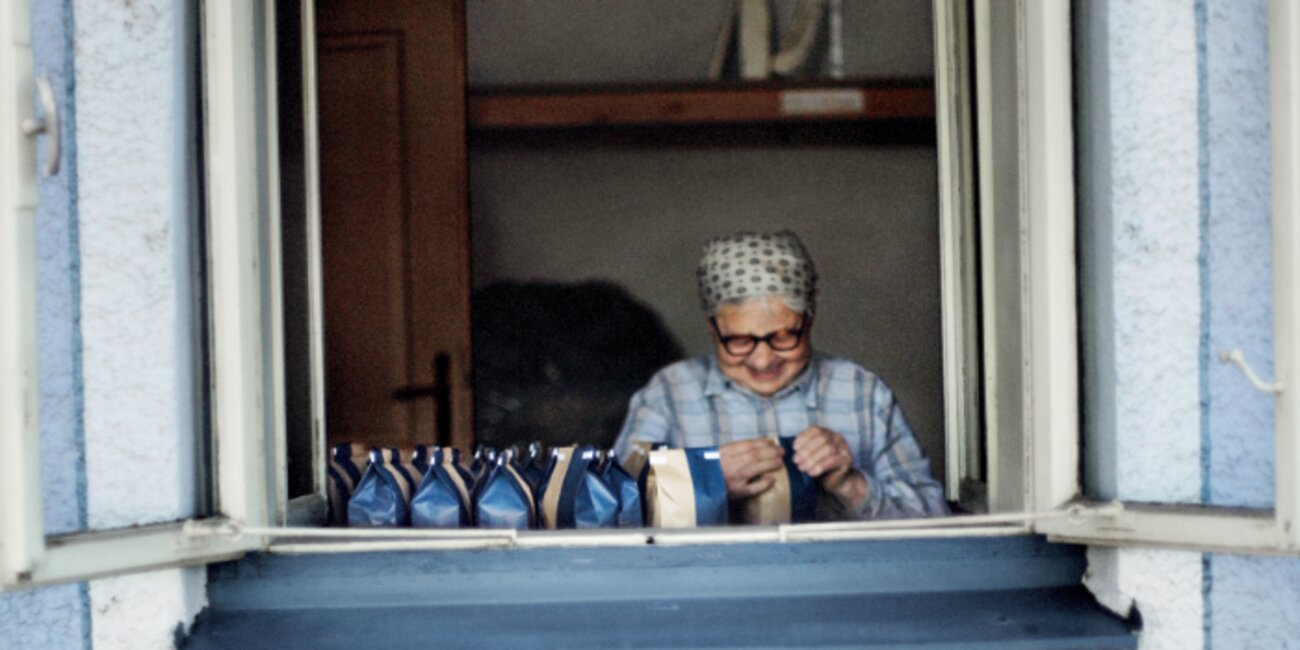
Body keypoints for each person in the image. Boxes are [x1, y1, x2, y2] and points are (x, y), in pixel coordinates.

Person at [613, 230, 948, 520]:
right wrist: (704, 482)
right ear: (712, 328)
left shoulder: (862, 393)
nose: (762, 360)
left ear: (810, 320)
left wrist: (851, 485)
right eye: (739, 340)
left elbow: (935, 520)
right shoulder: (669, 393)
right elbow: (613, 512)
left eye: (785, 336)